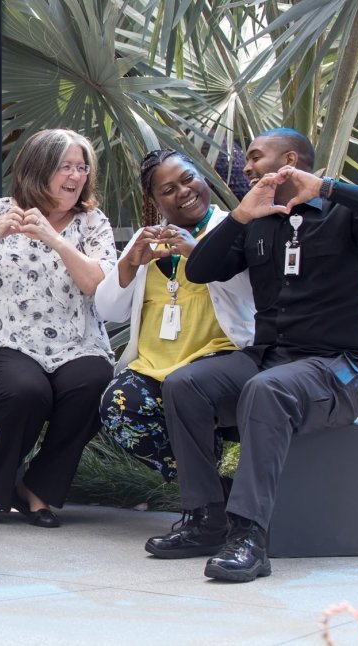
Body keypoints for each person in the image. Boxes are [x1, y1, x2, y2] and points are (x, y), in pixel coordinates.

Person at [147, 128, 358, 582]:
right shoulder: (258, 223)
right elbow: (202, 269)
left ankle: (250, 537)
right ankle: (207, 519)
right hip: (269, 358)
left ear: (290, 160)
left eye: (256, 157)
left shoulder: (346, 213)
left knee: (267, 390)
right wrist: (240, 216)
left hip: (336, 369)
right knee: (185, 384)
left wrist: (325, 187)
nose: (246, 167)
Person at [0, 128, 116, 529]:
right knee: (26, 389)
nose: (76, 176)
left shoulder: (91, 223)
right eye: (65, 166)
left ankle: (36, 488)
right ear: (39, 169)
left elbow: (97, 285)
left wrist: (56, 240)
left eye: (81, 167)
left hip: (74, 344)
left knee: (95, 380)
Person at [95, 149, 254, 485]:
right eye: (168, 190)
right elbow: (109, 309)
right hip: (155, 365)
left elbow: (249, 290)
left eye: (187, 179)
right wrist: (130, 263)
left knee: (187, 392)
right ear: (153, 200)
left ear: (202, 177)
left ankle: (205, 500)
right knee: (119, 407)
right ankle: (211, 489)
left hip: (218, 357)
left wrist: (195, 251)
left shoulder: (233, 228)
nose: (183, 191)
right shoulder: (148, 240)